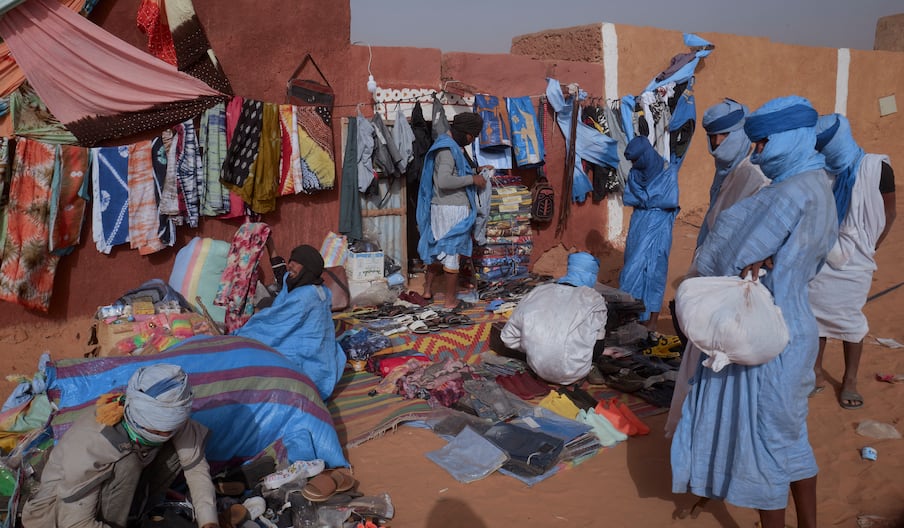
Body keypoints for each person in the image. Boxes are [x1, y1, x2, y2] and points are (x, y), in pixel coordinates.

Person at [670, 96, 837, 528]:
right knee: (789, 436)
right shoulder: (821, 184)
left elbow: (722, 254)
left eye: (763, 144)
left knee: (762, 444)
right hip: (798, 322)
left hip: (763, 331)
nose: (757, 153)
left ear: (789, 137)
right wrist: (772, 261)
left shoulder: (786, 193)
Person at [666, 98, 768, 436]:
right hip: (711, 277)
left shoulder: (754, 175)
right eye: (712, 138)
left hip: (733, 285)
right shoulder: (727, 172)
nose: (717, 145)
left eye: (724, 136)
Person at [21, 364, 220, 528]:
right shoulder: (92, 442)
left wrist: (209, 522)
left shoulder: (171, 421)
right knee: (127, 462)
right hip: (59, 513)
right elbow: (75, 523)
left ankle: (137, 514)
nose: (164, 434)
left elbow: (195, 470)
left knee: (182, 448)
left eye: (168, 429)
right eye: (158, 430)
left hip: (120, 494)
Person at [809, 113, 896, 409]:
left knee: (849, 320)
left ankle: (849, 380)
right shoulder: (821, 169)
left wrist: (870, 246)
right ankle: (816, 373)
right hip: (823, 255)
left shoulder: (876, 168)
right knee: (816, 315)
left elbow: (889, 213)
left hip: (857, 259)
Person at [235, 244, 345, 400]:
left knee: (256, 352)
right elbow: (282, 275)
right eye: (290, 260)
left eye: (296, 262)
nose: (290, 265)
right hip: (325, 358)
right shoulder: (319, 288)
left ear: (307, 267)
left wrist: (240, 336)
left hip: (311, 363)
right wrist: (271, 245)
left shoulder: (304, 296)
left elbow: (275, 323)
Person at [500, 252, 607, 385]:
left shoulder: (539, 291)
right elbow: (598, 349)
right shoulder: (594, 299)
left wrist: (534, 347)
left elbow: (508, 337)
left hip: (537, 367)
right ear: (591, 275)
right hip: (575, 372)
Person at [416, 112, 488, 309]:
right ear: (464, 133)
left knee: (438, 248)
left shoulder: (452, 147)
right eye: (472, 136)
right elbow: (444, 181)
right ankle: (450, 301)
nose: (472, 140)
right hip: (451, 210)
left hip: (443, 208)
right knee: (451, 252)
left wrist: (476, 171)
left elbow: (456, 173)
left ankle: (428, 290)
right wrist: (473, 180)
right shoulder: (447, 150)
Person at [618, 135, 679, 329]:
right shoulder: (635, 174)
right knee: (632, 269)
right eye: (632, 161)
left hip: (660, 225)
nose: (634, 164)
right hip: (639, 225)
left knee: (655, 271)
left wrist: (646, 201)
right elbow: (631, 196)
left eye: (636, 159)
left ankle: (651, 322)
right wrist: (649, 201)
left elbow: (669, 200)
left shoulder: (668, 171)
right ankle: (632, 316)